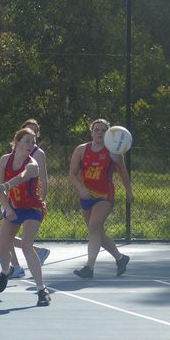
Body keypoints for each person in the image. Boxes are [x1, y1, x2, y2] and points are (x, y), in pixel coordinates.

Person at [0, 127, 51, 305]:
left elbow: (22, 177)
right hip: (14, 206)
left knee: (26, 246)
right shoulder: (5, 160)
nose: (31, 145)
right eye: (27, 141)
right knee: (3, 248)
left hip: (32, 208)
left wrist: (6, 186)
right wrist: (7, 208)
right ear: (17, 142)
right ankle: (5, 271)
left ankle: (41, 290)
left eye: (33, 142)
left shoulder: (32, 164)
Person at [69, 118, 133, 279]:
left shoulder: (114, 152)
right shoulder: (81, 149)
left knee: (94, 226)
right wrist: (81, 189)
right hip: (86, 195)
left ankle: (89, 267)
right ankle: (120, 258)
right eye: (96, 130)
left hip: (104, 195)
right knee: (96, 231)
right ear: (91, 132)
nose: (99, 132)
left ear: (109, 134)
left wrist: (129, 191)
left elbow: (123, 173)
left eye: (103, 130)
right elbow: (72, 174)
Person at [6, 119, 51, 278]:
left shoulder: (38, 154)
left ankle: (19, 266)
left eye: (34, 132)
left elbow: (43, 179)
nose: (31, 135)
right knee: (4, 235)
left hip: (30, 202)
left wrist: (42, 200)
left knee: (24, 241)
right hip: (14, 199)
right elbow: (11, 174)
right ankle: (18, 265)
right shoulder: (14, 153)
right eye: (28, 131)